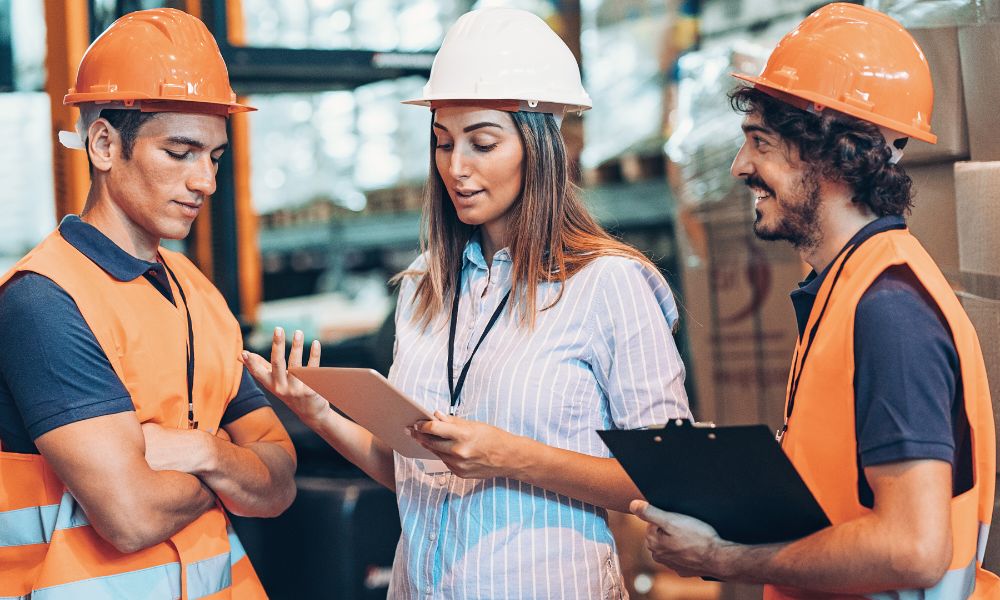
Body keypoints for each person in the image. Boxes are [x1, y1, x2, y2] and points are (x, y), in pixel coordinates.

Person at [242, 7, 690, 598]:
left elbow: (670, 481)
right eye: (443, 143)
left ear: (540, 146)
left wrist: (509, 456)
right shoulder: (427, 288)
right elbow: (414, 474)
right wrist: (319, 412)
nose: (456, 168)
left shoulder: (609, 285)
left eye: (482, 143)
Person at [631, 3, 1000, 598]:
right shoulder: (850, 287)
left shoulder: (888, 310)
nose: (739, 165)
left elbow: (914, 551)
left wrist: (728, 558)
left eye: (761, 142)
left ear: (834, 154)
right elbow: (843, 499)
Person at [0, 9, 296, 599]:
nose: (205, 182)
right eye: (180, 152)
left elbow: (282, 481)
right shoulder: (43, 302)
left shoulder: (197, 293)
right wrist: (234, 470)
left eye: (213, 156)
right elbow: (130, 515)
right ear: (105, 145)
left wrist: (199, 450)